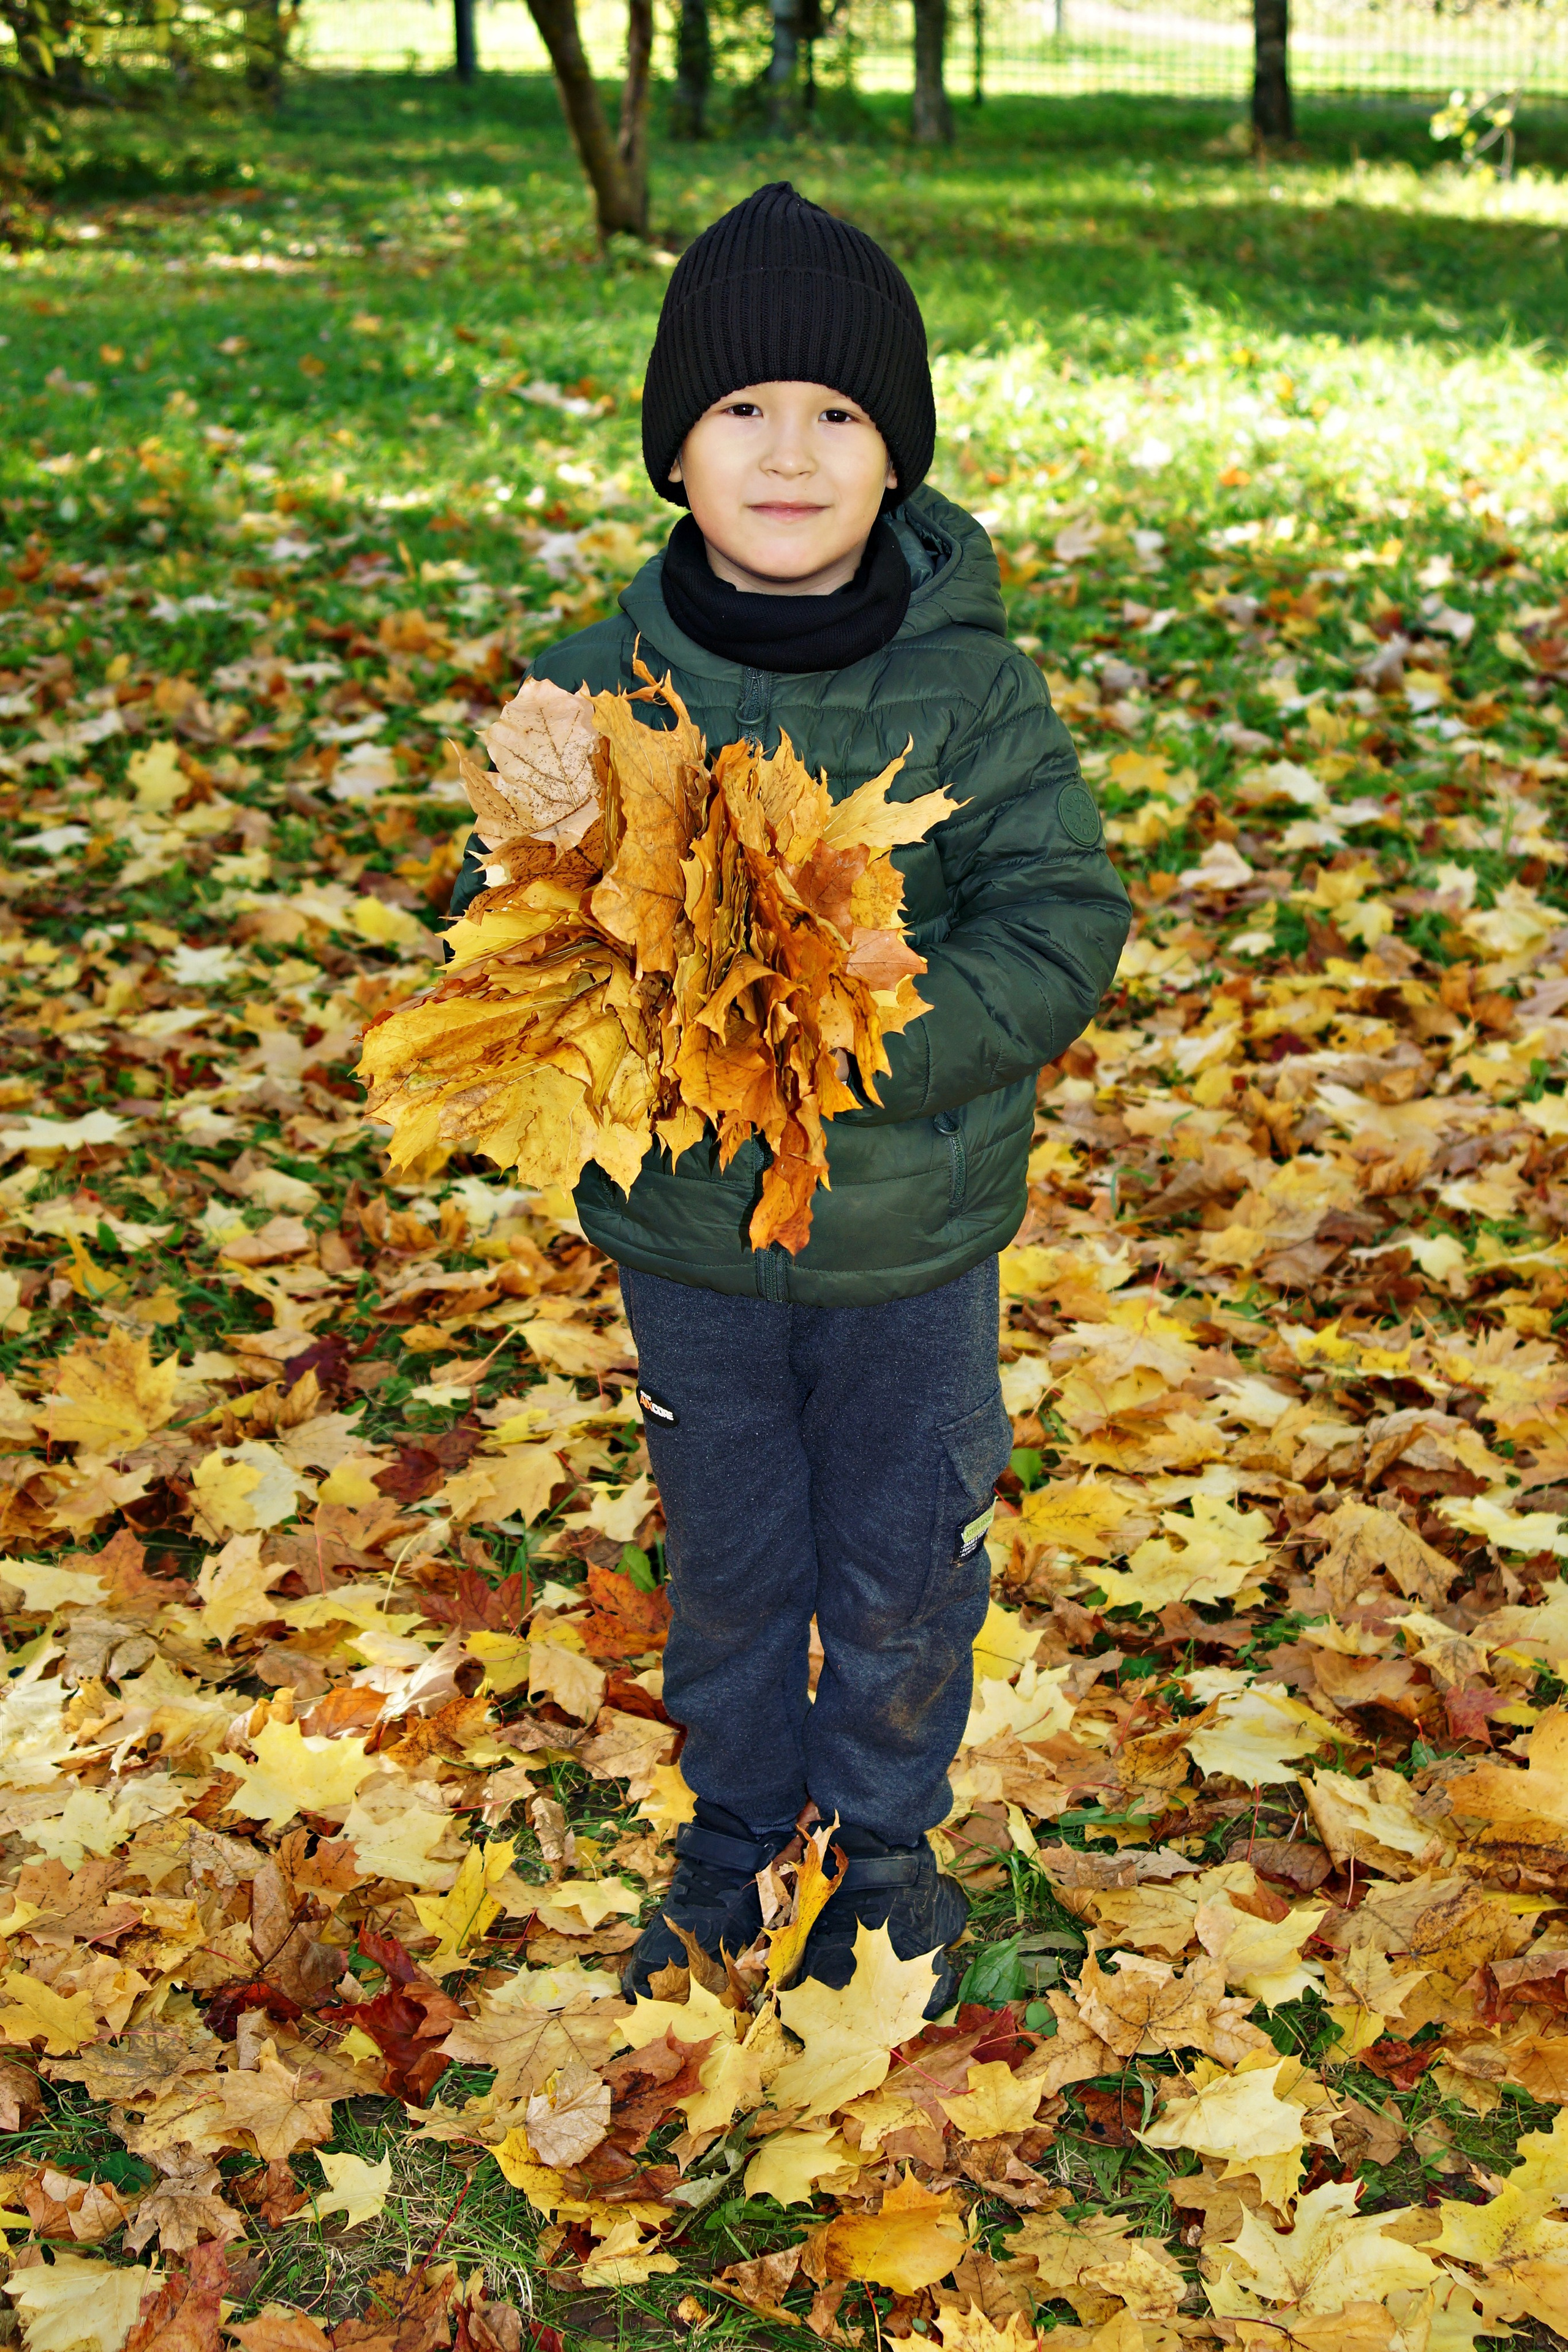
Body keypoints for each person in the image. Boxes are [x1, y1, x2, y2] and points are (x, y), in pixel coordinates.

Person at [450, 181, 1129, 2015]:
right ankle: (733, 1836)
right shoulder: (602, 684)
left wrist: (858, 1034)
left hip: (904, 1247)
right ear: (676, 450)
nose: (789, 450)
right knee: (738, 1559)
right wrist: (548, 891)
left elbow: (1066, 917)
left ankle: (883, 1842)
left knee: (903, 1559)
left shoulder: (976, 694)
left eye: (839, 417)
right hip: (686, 1240)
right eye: (744, 409)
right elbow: (509, 923)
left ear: (893, 463)